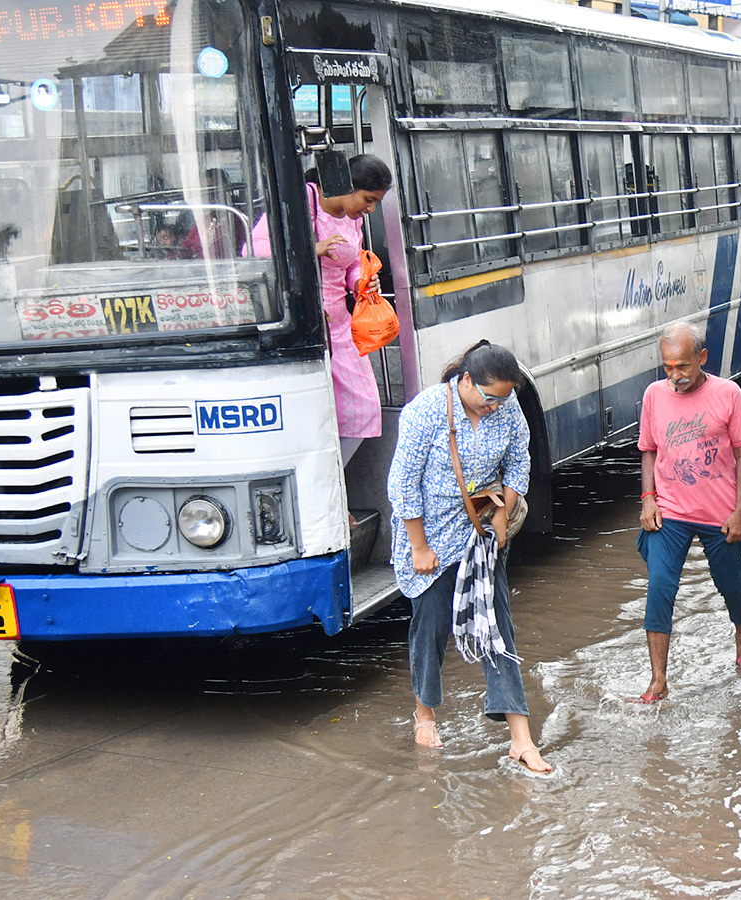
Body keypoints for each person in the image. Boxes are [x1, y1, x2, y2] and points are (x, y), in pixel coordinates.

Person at [387, 340, 551, 774]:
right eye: (489, 397)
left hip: (479, 533)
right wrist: (419, 547)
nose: (497, 405)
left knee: (497, 626)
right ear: (465, 381)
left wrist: (503, 514)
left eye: (505, 397)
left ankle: (520, 738)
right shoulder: (425, 412)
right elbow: (402, 484)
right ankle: (424, 713)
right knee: (432, 627)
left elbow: (519, 461)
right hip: (430, 538)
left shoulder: (508, 405)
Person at [635, 322, 741, 704]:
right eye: (668, 367)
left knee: (731, 584)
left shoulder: (729, 393)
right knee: (659, 587)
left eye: (683, 367)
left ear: (702, 358)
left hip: (719, 513)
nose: (675, 376)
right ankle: (659, 680)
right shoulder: (655, 395)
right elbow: (649, 450)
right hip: (669, 510)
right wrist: (648, 498)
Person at [252, 154, 393, 478]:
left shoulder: (353, 219)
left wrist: (362, 279)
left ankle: (330, 483)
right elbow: (254, 252)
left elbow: (352, 262)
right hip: (300, 324)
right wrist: (310, 249)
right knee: (309, 414)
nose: (370, 209)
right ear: (346, 186)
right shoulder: (304, 198)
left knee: (364, 409)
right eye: (368, 199)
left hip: (338, 324)